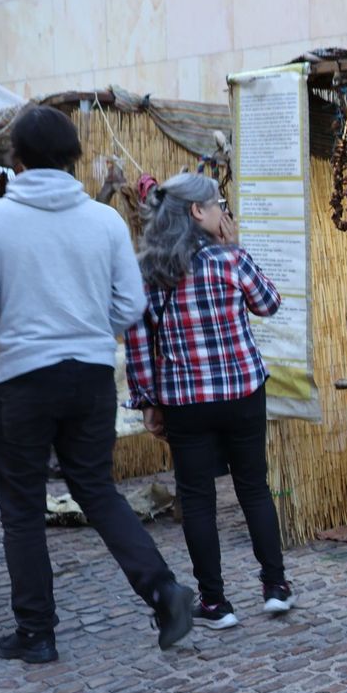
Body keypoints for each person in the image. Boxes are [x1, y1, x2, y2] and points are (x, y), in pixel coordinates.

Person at [0, 106, 195, 663]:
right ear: (73, 159)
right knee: (96, 490)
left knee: (21, 506)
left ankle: (37, 633)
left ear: (18, 160)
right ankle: (163, 592)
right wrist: (85, 333)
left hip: (20, 380)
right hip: (90, 375)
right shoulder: (104, 222)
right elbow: (130, 307)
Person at [126, 172, 292, 631]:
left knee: (197, 500)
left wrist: (147, 401)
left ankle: (216, 603)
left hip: (185, 399)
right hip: (242, 391)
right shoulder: (230, 259)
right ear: (198, 211)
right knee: (253, 486)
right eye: (218, 203)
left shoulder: (148, 271)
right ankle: (275, 587)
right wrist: (237, 248)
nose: (224, 211)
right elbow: (269, 303)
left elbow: (138, 344)